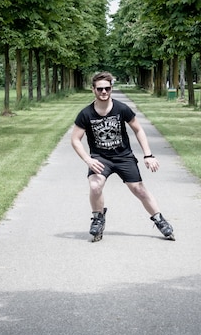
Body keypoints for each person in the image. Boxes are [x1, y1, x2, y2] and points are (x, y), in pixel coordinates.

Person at [71, 71, 174, 241]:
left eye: (107, 88)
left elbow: (138, 129)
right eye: (100, 89)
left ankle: (159, 220)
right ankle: (98, 219)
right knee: (95, 186)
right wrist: (88, 160)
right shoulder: (86, 113)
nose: (104, 92)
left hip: (124, 156)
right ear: (93, 90)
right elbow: (75, 139)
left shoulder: (121, 108)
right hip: (100, 158)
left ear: (111, 88)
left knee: (139, 190)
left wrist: (148, 155)